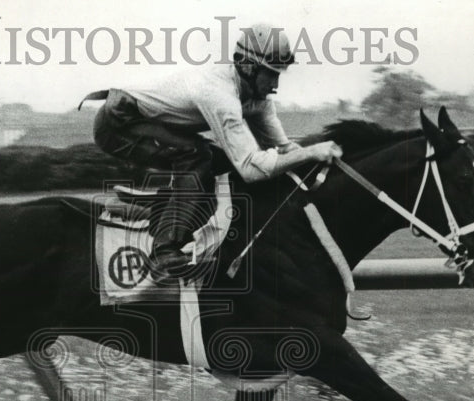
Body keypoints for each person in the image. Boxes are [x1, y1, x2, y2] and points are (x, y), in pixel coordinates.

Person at [89, 23, 343, 282]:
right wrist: (311, 153)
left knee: (222, 161)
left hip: (151, 121)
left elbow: (285, 150)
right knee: (197, 157)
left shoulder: (259, 100)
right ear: (247, 67)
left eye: (279, 74)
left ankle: (182, 219)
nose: (275, 83)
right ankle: (164, 253)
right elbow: (252, 169)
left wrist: (322, 164)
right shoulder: (219, 93)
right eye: (270, 74)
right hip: (118, 123)